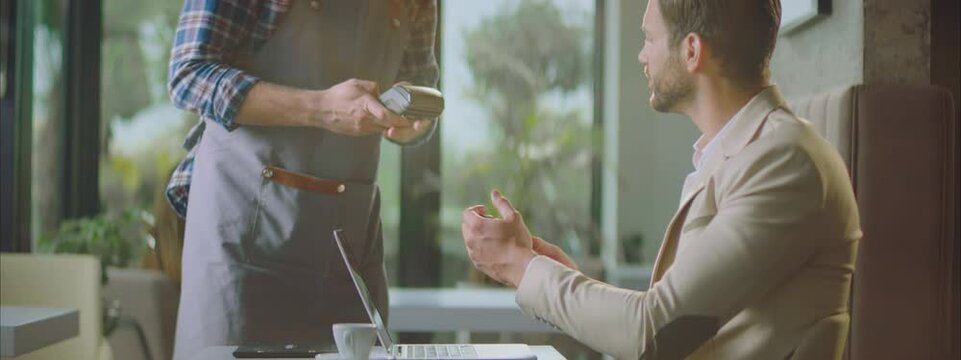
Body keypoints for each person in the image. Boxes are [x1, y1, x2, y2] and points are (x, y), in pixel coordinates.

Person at [461, 0, 861, 359]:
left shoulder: (784, 162)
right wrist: (561, 277)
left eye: (649, 37)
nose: (641, 55)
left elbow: (653, 334)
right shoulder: (737, 156)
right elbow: (673, 321)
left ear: (691, 50)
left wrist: (518, 264)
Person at [165, 1, 438, 358]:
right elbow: (189, 73)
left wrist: (410, 125)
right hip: (242, 239)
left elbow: (419, 86)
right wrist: (322, 107)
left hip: (348, 250)